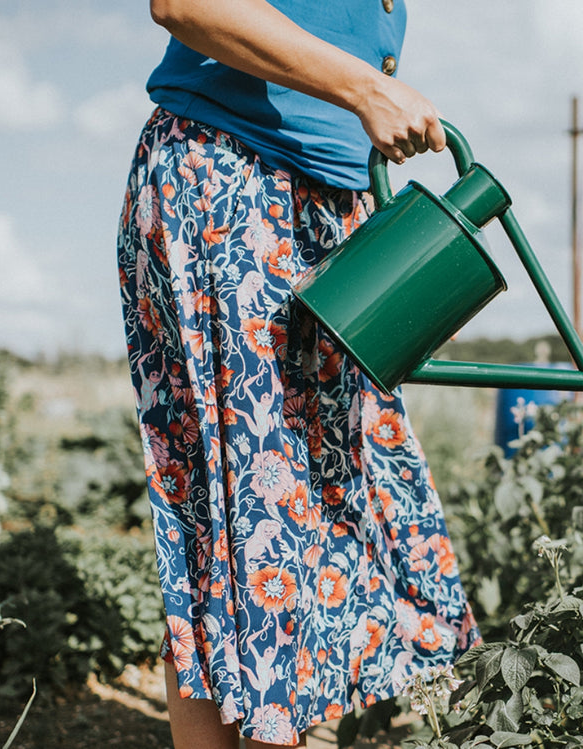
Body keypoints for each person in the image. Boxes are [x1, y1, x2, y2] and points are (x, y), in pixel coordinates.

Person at [116, 1, 480, 746]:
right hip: (235, 186)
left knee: (307, 512)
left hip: (321, 203)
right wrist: (367, 90)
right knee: (261, 520)